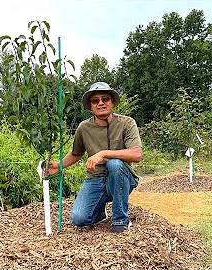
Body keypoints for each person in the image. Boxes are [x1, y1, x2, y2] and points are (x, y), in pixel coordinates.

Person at [47, 82, 142, 233]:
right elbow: (76, 153)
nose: (101, 103)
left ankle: (120, 220)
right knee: (79, 219)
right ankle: (100, 212)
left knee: (115, 165)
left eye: (105, 99)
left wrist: (103, 153)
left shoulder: (127, 123)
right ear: (90, 106)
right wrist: (58, 165)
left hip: (122, 177)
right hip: (95, 178)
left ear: (112, 102)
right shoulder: (84, 128)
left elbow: (136, 154)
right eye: (95, 100)